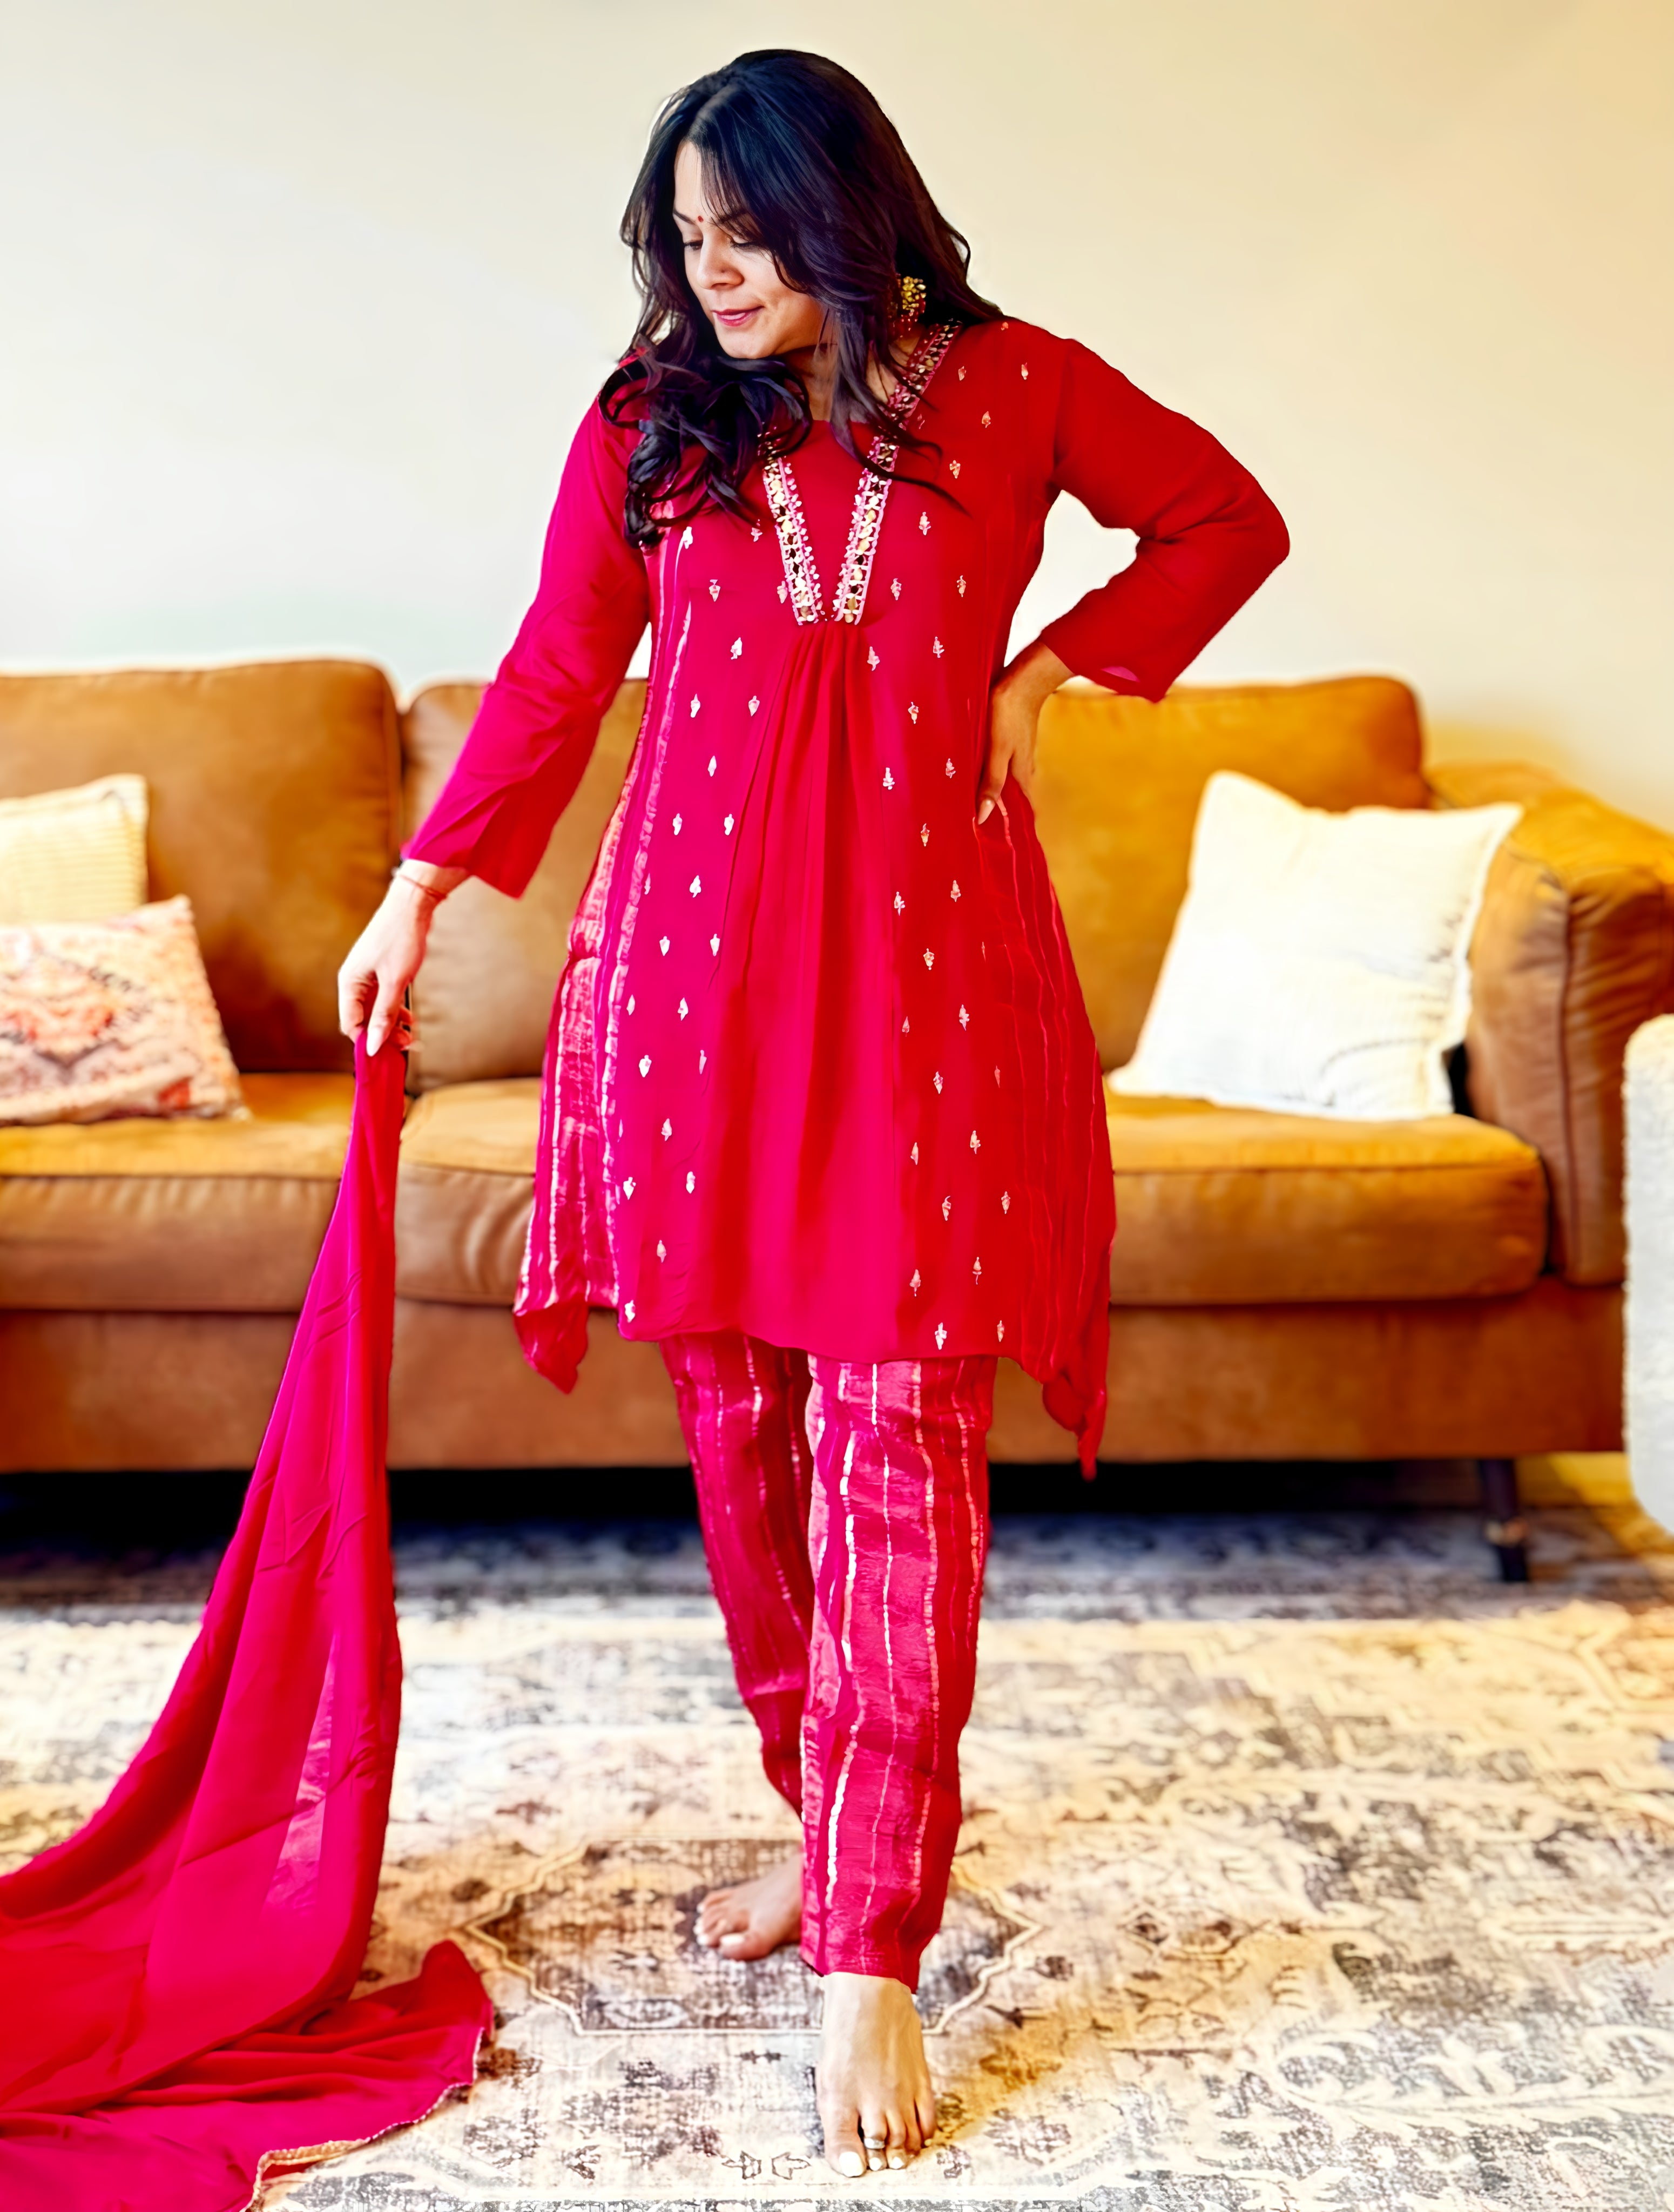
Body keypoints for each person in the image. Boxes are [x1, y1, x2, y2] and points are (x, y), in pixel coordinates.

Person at [339, 48, 1287, 2179]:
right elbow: (557, 667)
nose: (717, 272)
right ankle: (824, 1815)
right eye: (686, 239)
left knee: (899, 1436)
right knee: (745, 1426)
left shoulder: (1021, 389)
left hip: (931, 990)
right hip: (687, 986)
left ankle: (873, 1932)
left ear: (850, 212)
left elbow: (1229, 519)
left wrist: (1049, 672)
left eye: (750, 232)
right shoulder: (652, 417)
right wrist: (417, 888)